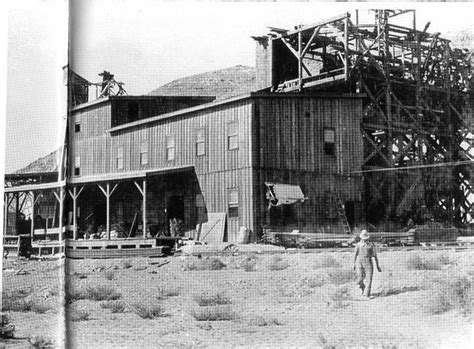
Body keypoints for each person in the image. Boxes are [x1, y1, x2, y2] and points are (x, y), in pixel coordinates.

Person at [353, 230, 382, 299]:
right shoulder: (358, 245)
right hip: (359, 262)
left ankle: (367, 294)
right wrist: (353, 264)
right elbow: (355, 255)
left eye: (366, 238)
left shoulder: (371, 245)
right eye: (363, 238)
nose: (365, 240)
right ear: (361, 238)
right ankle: (362, 288)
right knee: (359, 278)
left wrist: (377, 266)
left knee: (369, 279)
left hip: (368, 262)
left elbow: (375, 256)